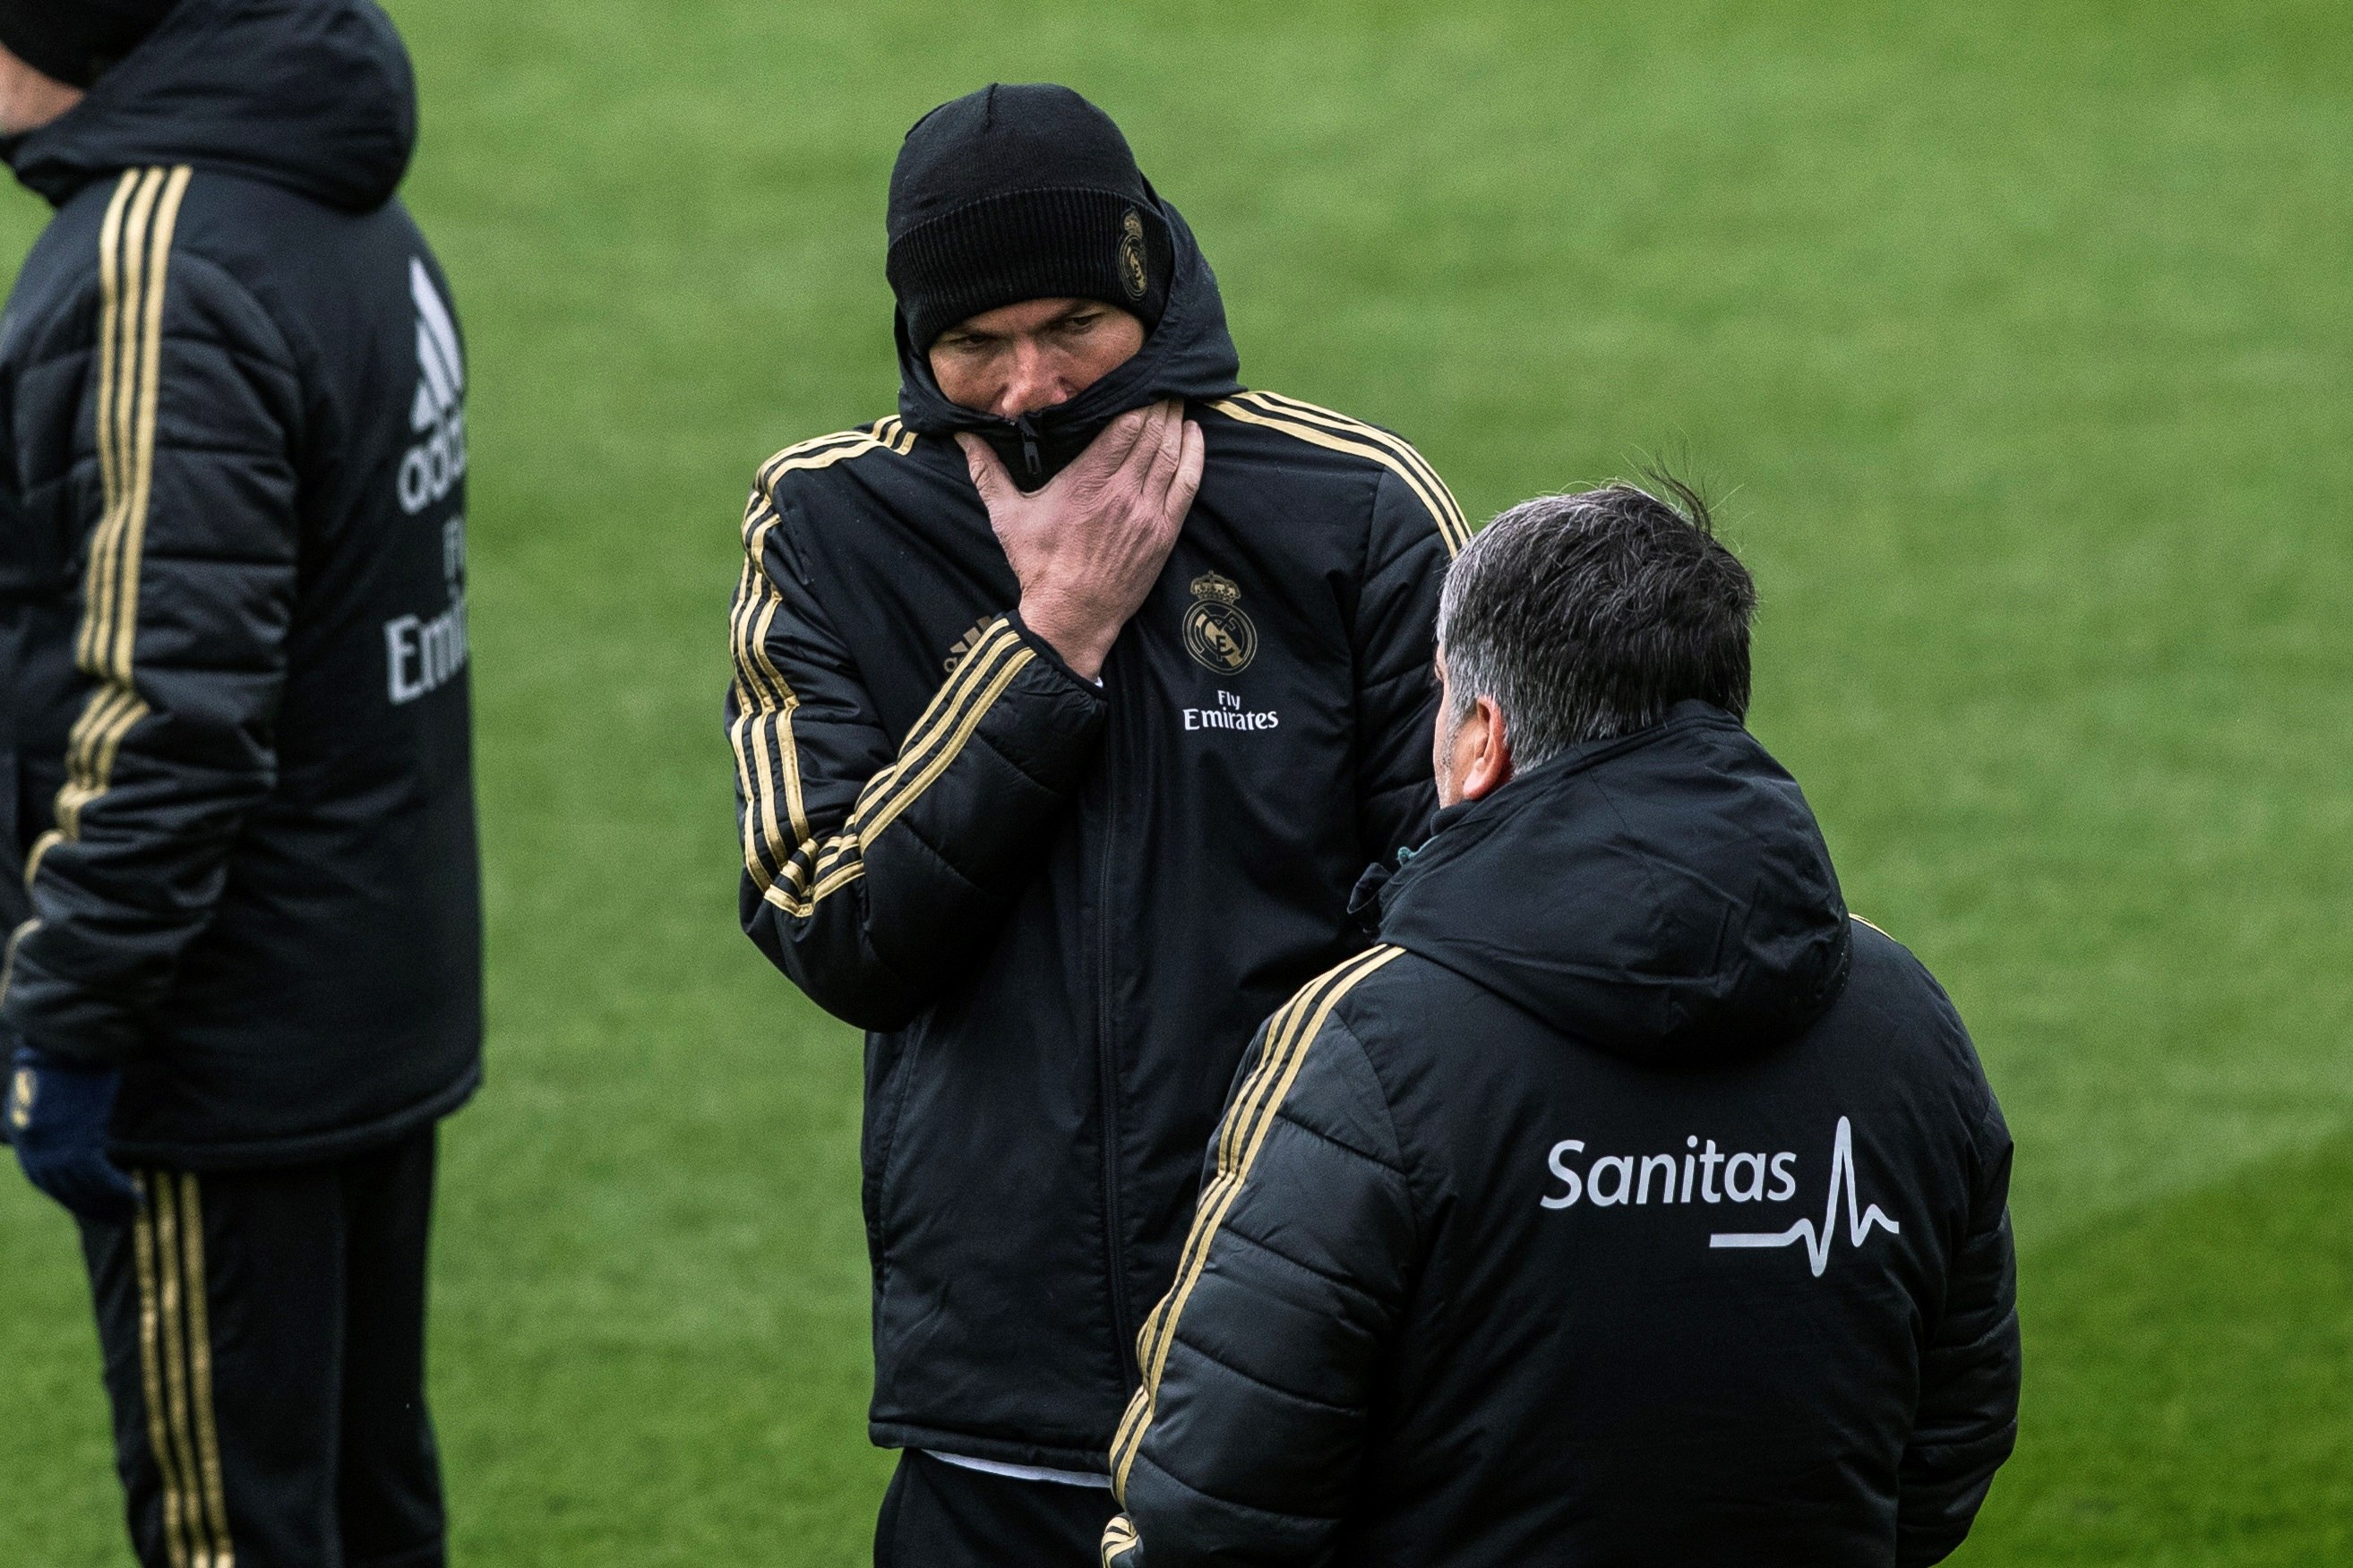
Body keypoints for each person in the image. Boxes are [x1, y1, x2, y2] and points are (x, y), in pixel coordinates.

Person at [726, 82, 1464, 1564]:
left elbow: (1451, 945)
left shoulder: (1355, 514)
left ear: (1151, 281)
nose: (1023, 387)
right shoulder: (827, 525)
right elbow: (833, 924)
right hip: (993, 1381)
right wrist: (1049, 639)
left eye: (1071, 325)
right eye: (973, 343)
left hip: (1301, 1353)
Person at [1102, 478, 2021, 1567]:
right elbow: (1948, 1443)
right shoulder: (1902, 1014)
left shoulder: (1369, 1041)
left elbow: (1209, 1512)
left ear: (1481, 735)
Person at [0, 3, 480, 1565]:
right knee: (365, 1505)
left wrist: (70, 1017)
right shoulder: (333, 193)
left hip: (219, 1036)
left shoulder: (158, 255)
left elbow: (165, 709)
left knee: (239, 1535)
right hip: (366, 978)